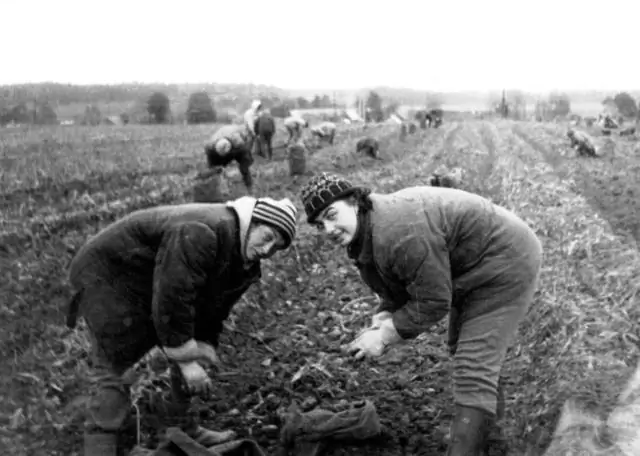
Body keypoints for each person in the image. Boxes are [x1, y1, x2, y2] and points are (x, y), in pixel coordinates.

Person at [299, 172, 543, 456]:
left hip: (504, 262)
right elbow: (399, 280)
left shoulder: (397, 231)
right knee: (464, 351)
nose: (327, 229)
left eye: (331, 214)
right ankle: (488, 433)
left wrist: (385, 337)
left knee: (474, 364)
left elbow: (433, 301)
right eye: (319, 225)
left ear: (354, 200)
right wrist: (384, 315)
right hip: (468, 267)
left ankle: (468, 448)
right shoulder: (367, 228)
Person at [66, 196, 298, 456]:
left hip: (151, 279)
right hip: (109, 276)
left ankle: (184, 428)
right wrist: (187, 360)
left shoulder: (243, 261)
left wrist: (204, 344)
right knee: (113, 365)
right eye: (266, 237)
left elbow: (213, 308)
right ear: (252, 223)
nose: (267, 250)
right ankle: (100, 448)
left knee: (185, 341)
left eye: (276, 247)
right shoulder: (203, 231)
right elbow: (173, 297)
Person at [204, 124, 255, 194]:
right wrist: (214, 169)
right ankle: (215, 190)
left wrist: (247, 161)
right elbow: (211, 163)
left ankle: (250, 188)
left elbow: (245, 151)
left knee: (244, 168)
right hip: (219, 147)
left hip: (236, 146)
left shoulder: (238, 142)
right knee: (215, 170)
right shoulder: (209, 147)